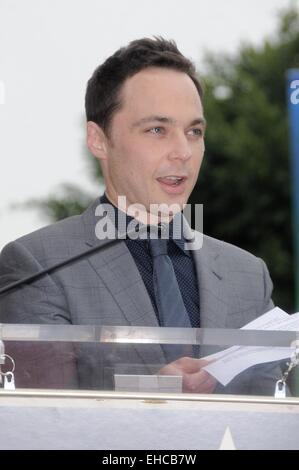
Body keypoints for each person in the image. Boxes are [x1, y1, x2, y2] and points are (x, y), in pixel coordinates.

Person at [0, 37, 279, 394]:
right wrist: (150, 395)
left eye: (194, 131)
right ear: (99, 140)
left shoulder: (248, 277)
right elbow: (40, 428)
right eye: (157, 130)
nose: (183, 152)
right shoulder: (39, 266)